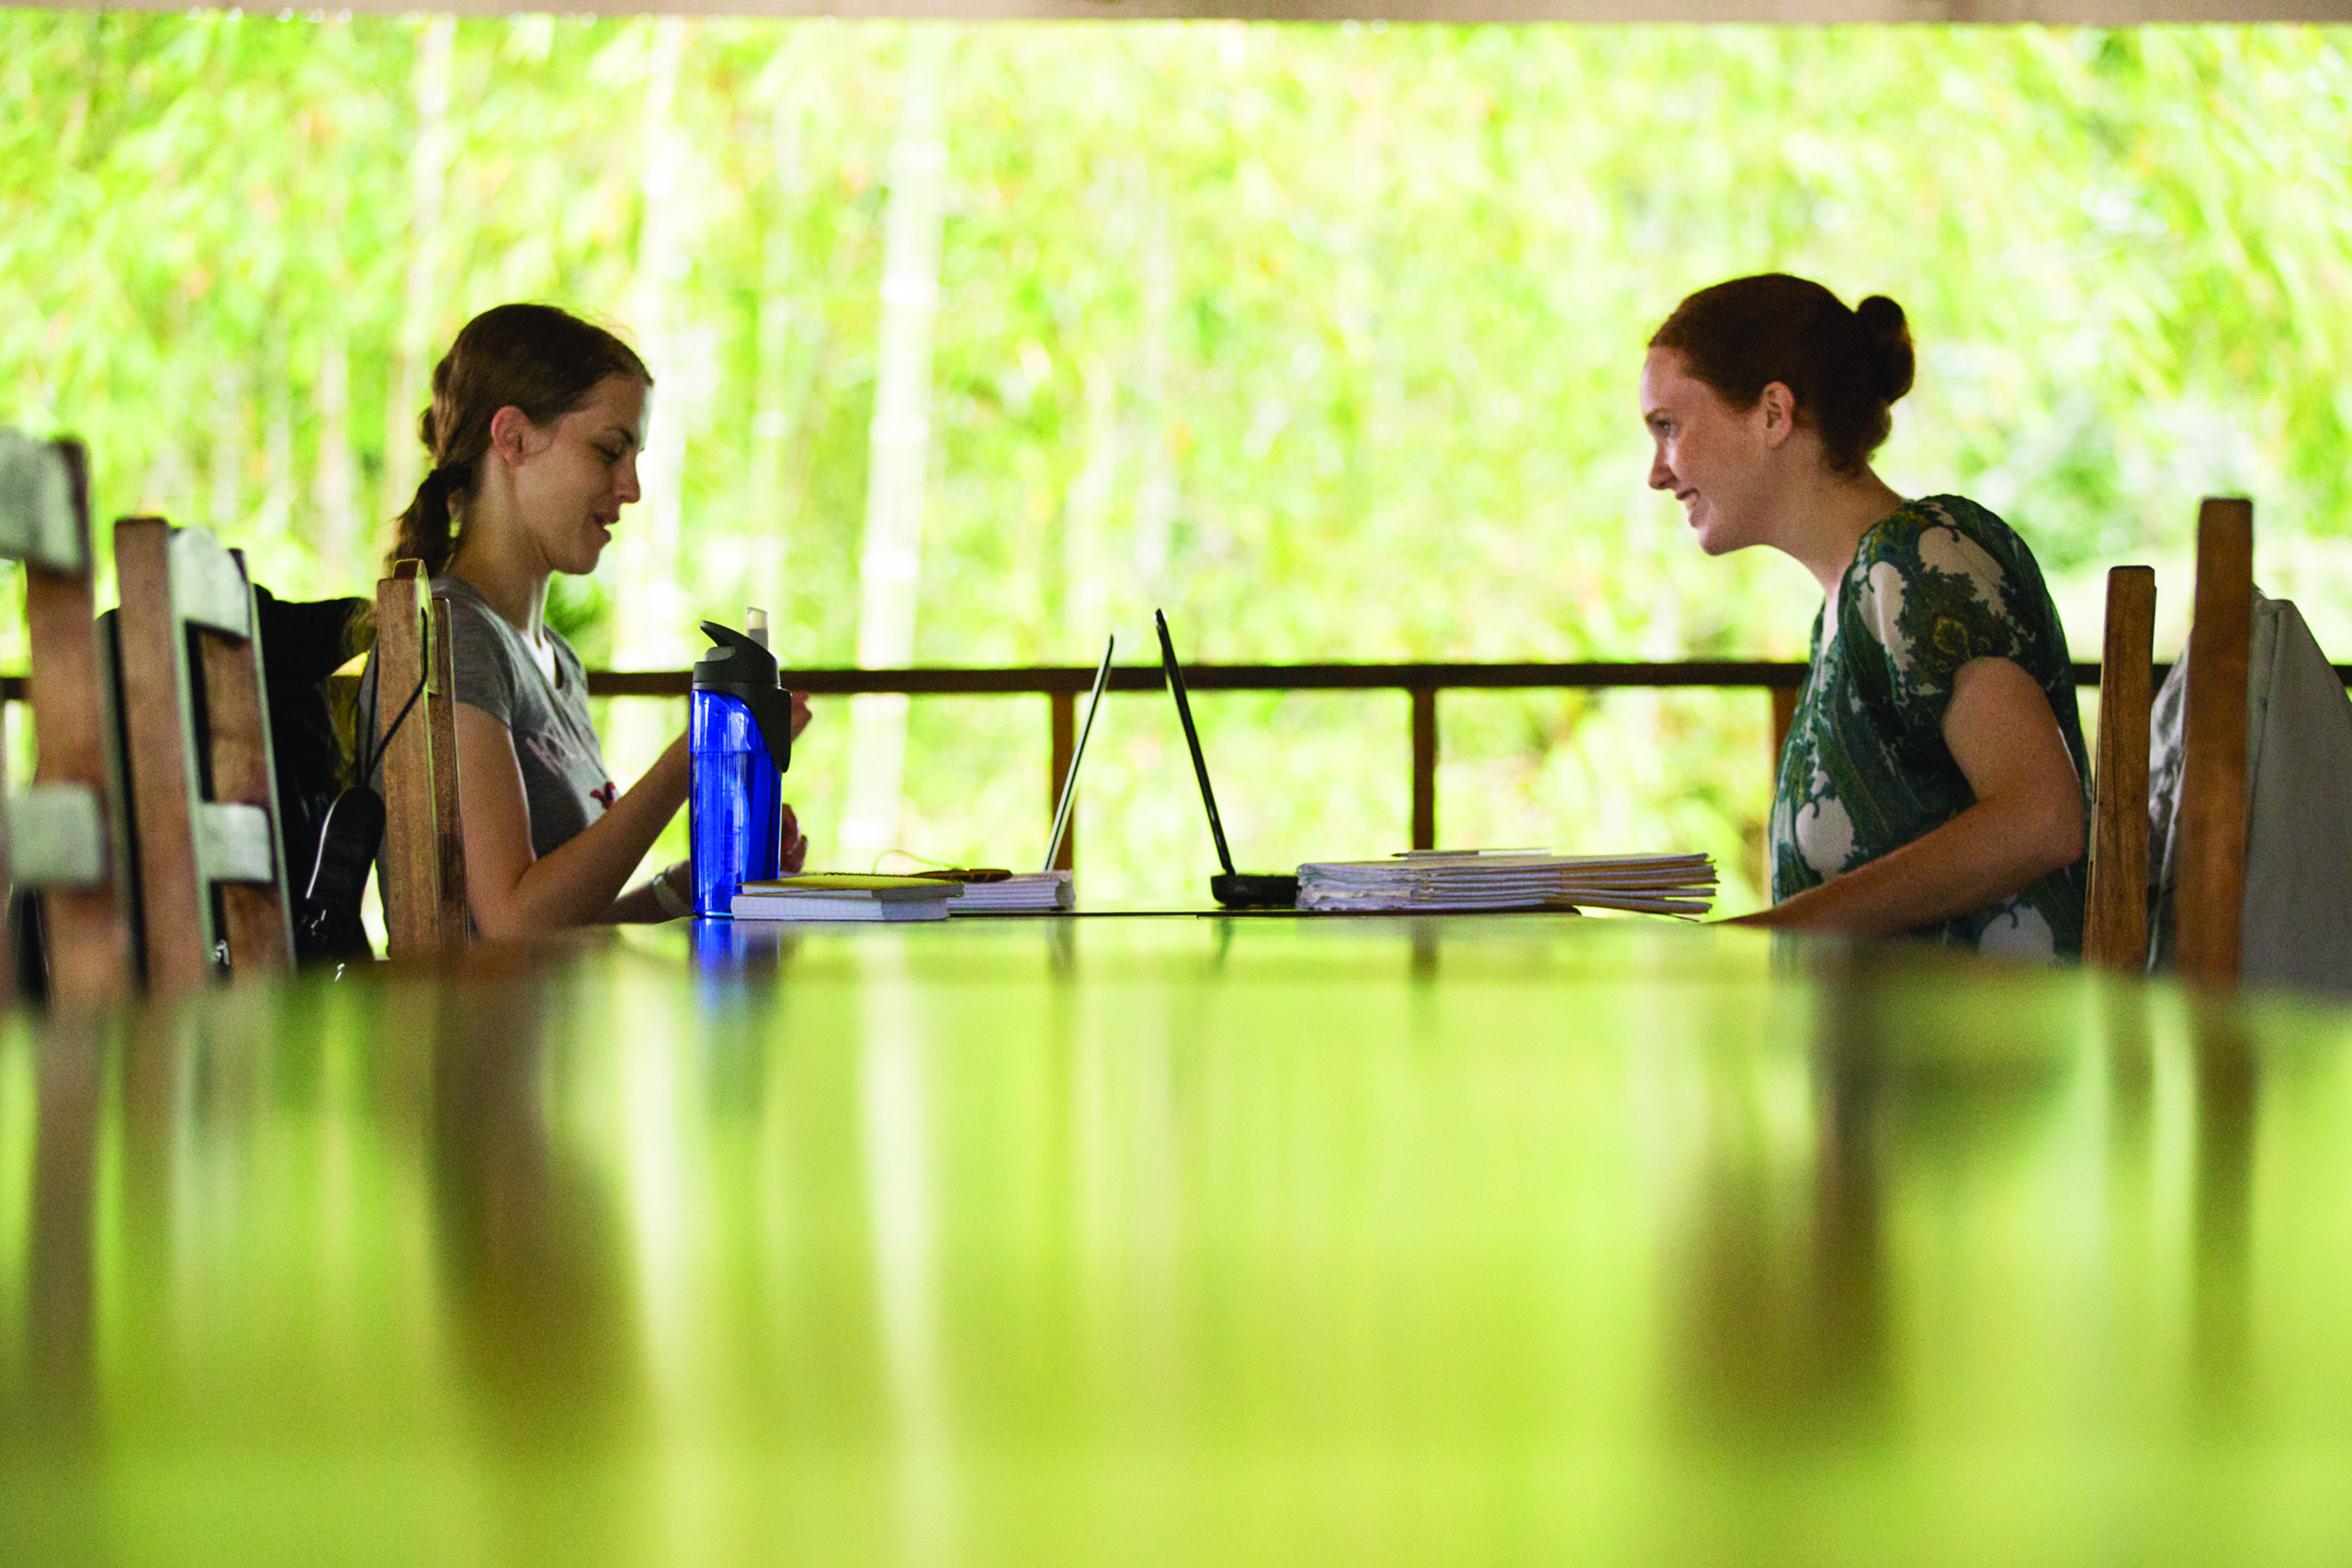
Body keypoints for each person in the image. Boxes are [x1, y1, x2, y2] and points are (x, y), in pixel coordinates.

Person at [1640, 274, 2089, 956]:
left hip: (1987, 1055)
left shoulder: (1918, 561)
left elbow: (2043, 816)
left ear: (1772, 412)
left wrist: (1757, 941)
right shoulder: (1846, 606)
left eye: (1668, 425)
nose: (1657, 471)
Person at [372, 303, 809, 938]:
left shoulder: (555, 662)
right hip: (471, 1036)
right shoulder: (454, 634)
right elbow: (514, 924)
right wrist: (696, 755)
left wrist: (687, 885)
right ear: (513, 438)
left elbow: (564, 925)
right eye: (610, 451)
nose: (631, 487)